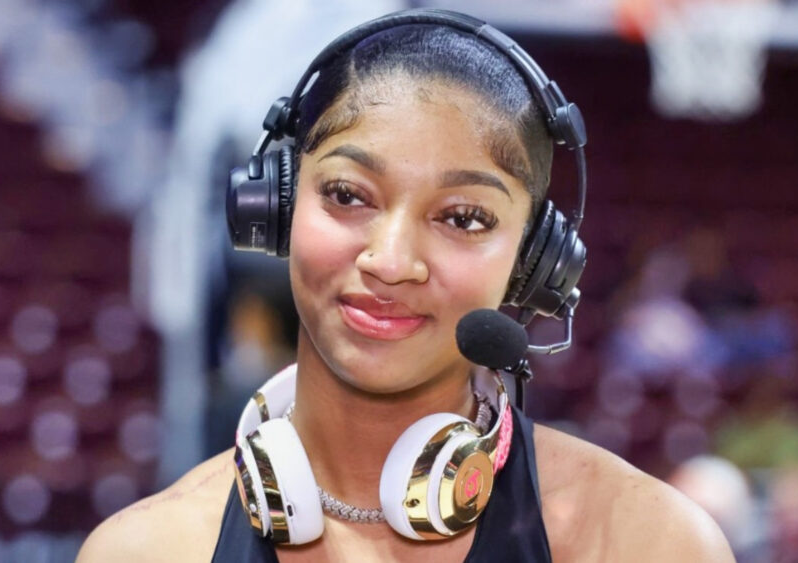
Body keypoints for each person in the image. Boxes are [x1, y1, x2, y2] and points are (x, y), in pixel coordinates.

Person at [78, 9, 733, 562]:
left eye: (462, 217)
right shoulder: (145, 549)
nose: (391, 260)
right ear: (277, 212)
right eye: (346, 194)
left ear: (533, 263)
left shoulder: (645, 541)